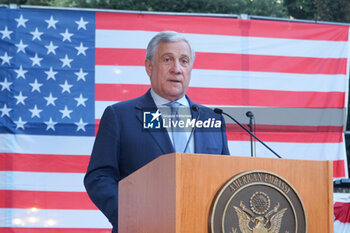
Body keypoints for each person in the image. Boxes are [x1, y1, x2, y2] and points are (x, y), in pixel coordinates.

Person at [84, 31, 230, 233]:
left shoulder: (211, 118)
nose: (177, 69)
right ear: (149, 67)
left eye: (184, 61)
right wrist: (131, 217)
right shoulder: (120, 116)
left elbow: (224, 178)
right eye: (167, 59)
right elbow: (99, 177)